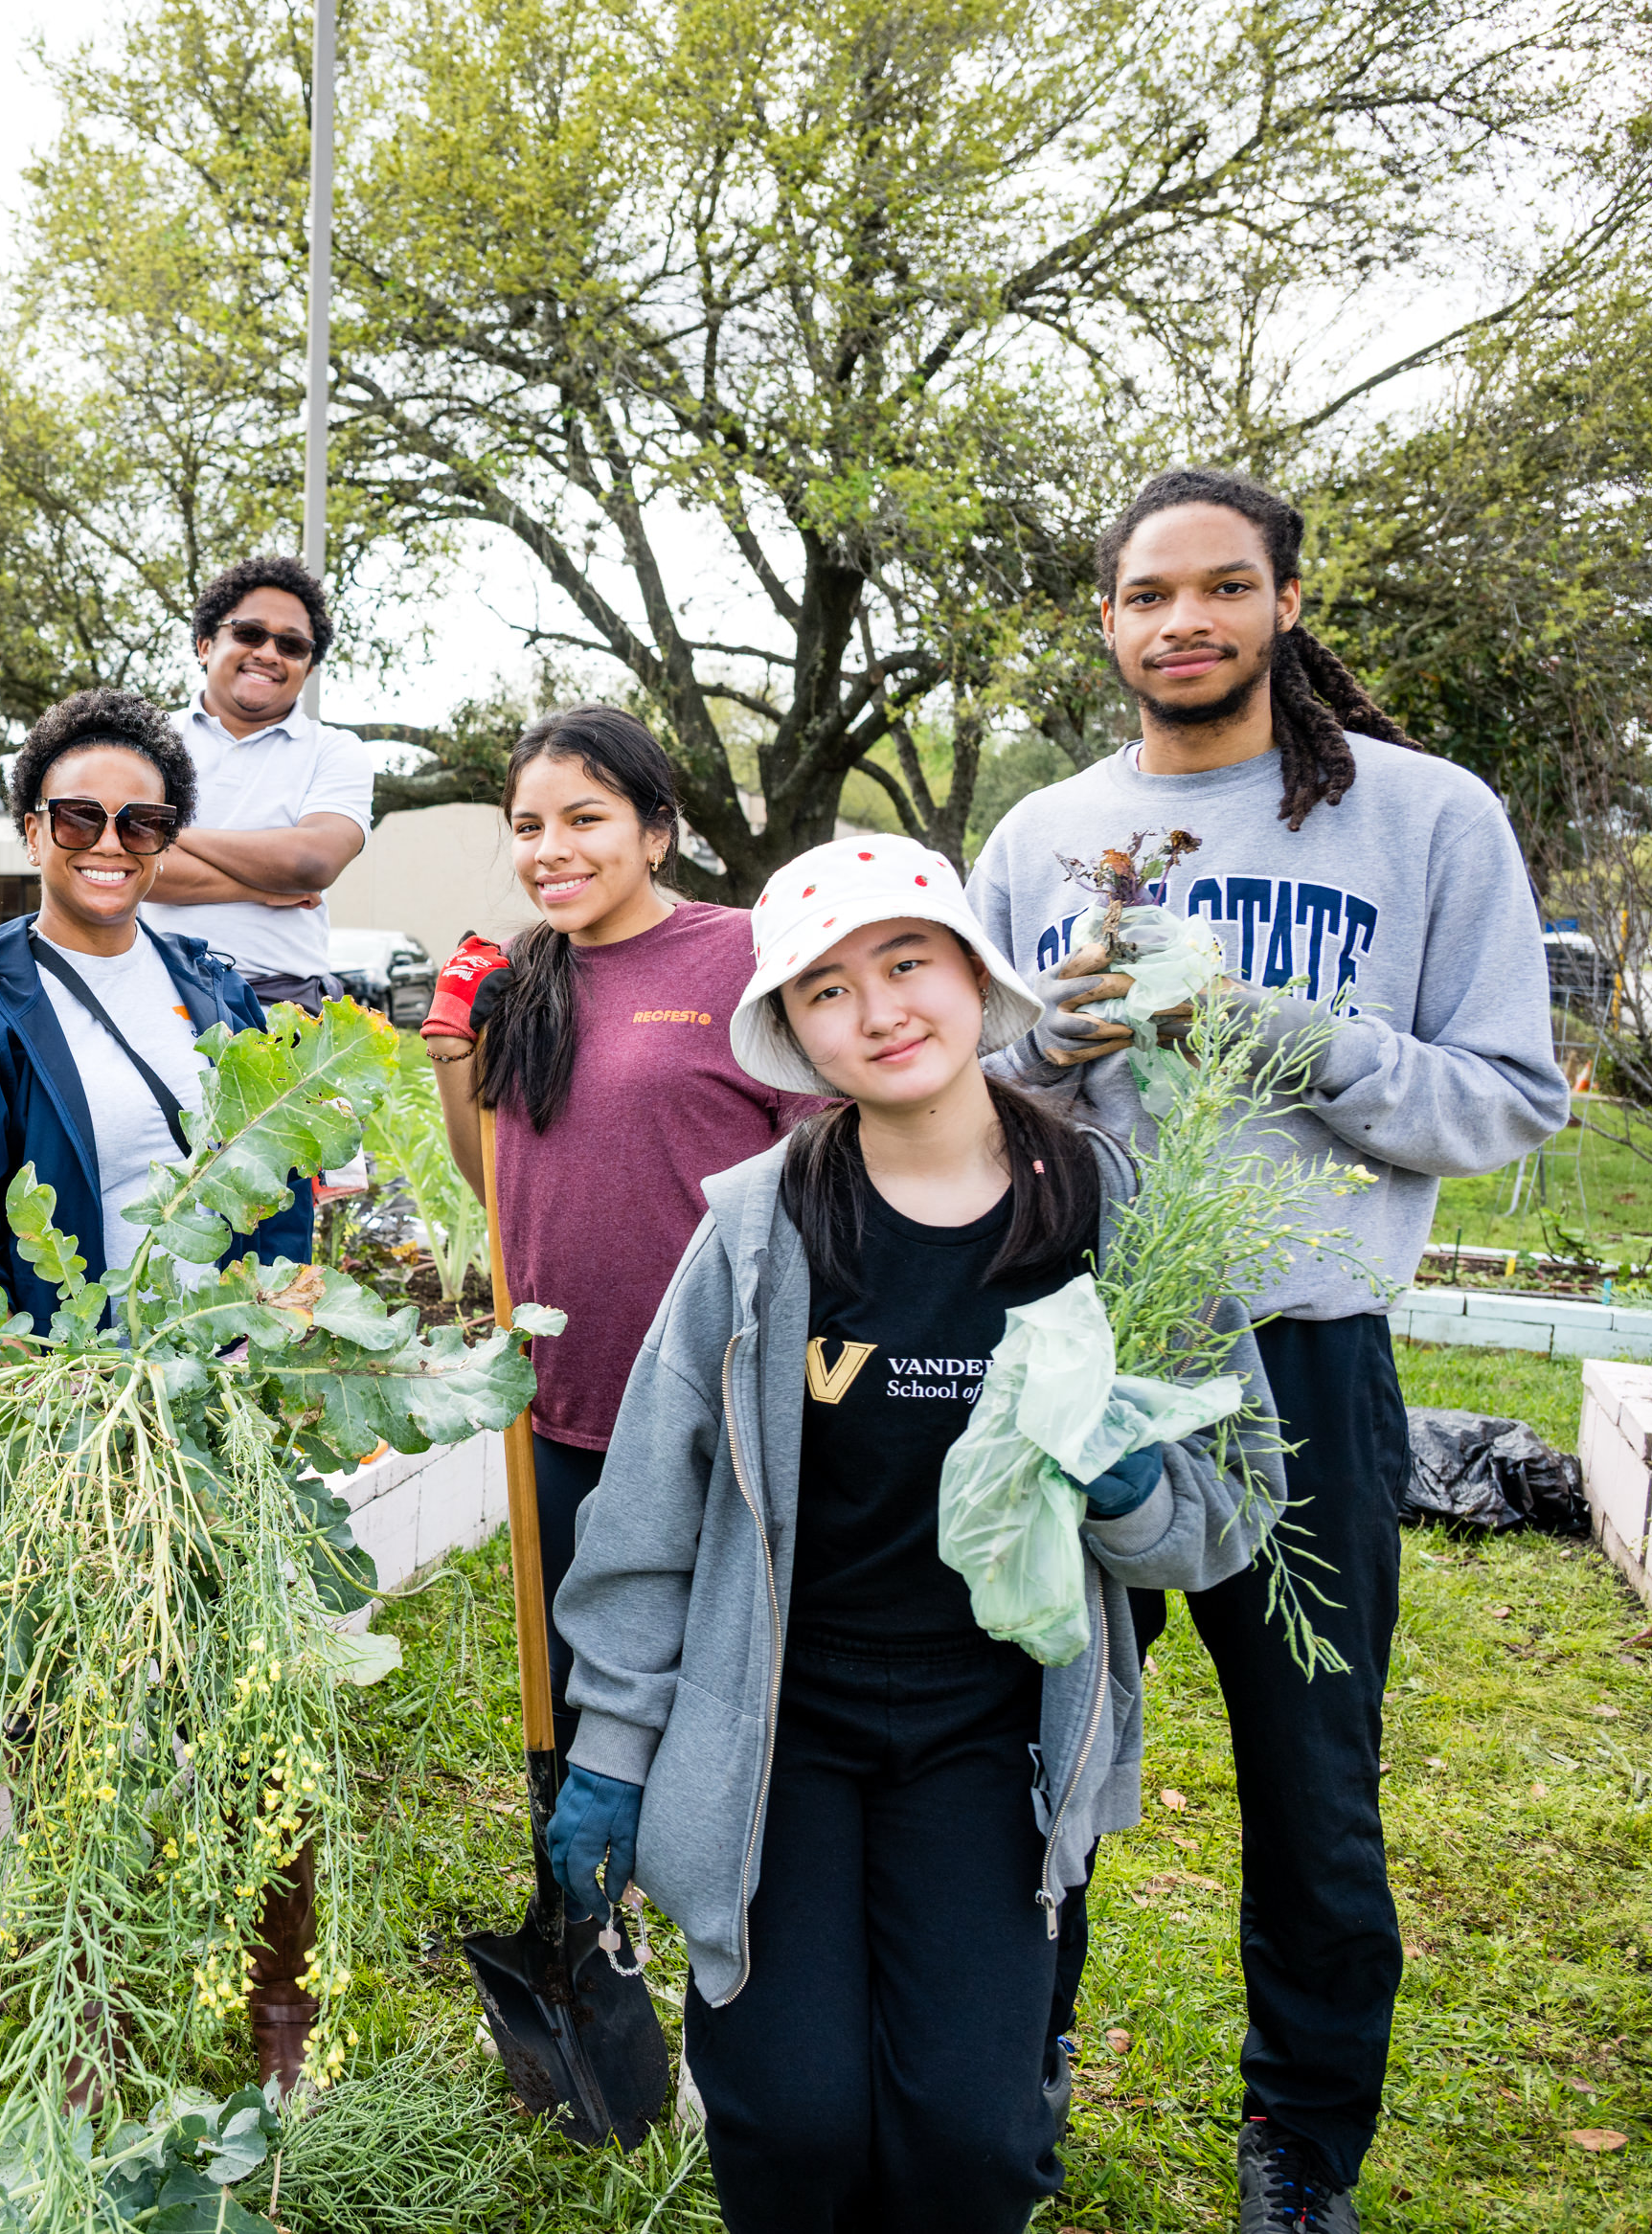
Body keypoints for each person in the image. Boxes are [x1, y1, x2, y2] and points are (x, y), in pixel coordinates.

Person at [968, 465, 1568, 2231]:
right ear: (1108, 622)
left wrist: (1256, 1022)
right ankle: (1017, 2073)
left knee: (1314, 1782)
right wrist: (1053, 1059)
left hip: (1299, 1360)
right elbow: (978, 1108)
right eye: (1150, 595)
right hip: (1080, 1353)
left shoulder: (1425, 818)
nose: (1186, 622)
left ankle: (1301, 2144)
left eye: (1224, 587)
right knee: (1030, 1738)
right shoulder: (1045, 834)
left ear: (1286, 602)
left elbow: (1508, 1097)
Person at [550, 834, 1279, 2234]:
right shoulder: (765, 1230)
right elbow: (651, 1507)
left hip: (984, 1733)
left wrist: (1134, 1492)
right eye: (826, 991)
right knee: (796, 2118)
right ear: (794, 1032)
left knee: (970, 2141)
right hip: (779, 1729)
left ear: (974, 976)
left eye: (906, 964)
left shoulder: (1113, 1217)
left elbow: (1229, 1509)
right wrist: (614, 1749)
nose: (878, 1011)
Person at [416, 708, 821, 1885]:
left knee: (710, 1684)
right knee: (567, 1687)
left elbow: (812, 1173)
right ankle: (582, 1931)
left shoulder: (742, 953)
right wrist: (453, 1048)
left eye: (584, 819)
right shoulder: (523, 974)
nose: (550, 848)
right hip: (555, 1397)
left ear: (656, 830)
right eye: (527, 825)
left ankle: (729, 1928)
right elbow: (493, 1175)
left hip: (713, 1403)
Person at [0, 687, 309, 1318]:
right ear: (33, 833)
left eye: (141, 822)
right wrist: (43, 1389)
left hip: (223, 1383)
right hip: (75, 1399)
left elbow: (276, 1196)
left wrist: (267, 1331)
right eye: (79, 817)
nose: (110, 843)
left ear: (164, 844)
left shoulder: (221, 994)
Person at [135, 555, 376, 1013]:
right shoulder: (148, 742)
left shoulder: (336, 750)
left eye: (292, 645)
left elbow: (313, 862)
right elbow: (132, 866)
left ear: (307, 668)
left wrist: (169, 832)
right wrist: (261, 887)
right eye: (249, 633)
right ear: (205, 645)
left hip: (285, 1006)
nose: (268, 653)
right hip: (155, 994)